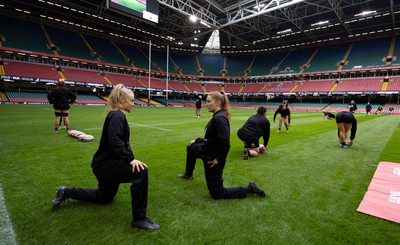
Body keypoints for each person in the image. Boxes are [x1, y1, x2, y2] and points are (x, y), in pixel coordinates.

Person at [52, 84, 160, 230]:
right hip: (105, 165)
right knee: (141, 172)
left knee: (104, 197)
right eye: (132, 101)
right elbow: (115, 141)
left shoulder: (116, 114)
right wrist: (130, 159)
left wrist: (128, 157)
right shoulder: (117, 115)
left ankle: (65, 191)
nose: (134, 104)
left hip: (103, 164)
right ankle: (139, 219)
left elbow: (120, 142)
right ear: (122, 100)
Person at [177, 91, 266, 199]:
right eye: (206, 101)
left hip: (212, 158)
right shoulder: (217, 116)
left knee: (217, 194)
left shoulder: (219, 118)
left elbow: (225, 143)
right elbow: (210, 138)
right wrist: (197, 140)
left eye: (209, 101)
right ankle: (188, 174)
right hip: (207, 150)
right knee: (191, 147)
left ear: (218, 102)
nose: (206, 104)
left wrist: (218, 159)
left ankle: (250, 188)